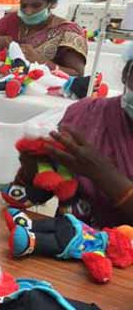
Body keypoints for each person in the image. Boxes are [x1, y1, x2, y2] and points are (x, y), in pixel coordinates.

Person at [12, 45, 133, 229]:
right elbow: (38, 194)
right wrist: (33, 168)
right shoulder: (86, 114)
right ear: (126, 74)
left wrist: (103, 174)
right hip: (70, 239)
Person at [0, 0, 87, 76]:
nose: (28, 11)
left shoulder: (68, 32)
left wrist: (41, 62)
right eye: (24, 5)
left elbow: (77, 75)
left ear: (52, 3)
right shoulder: (11, 20)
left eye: (36, 6)